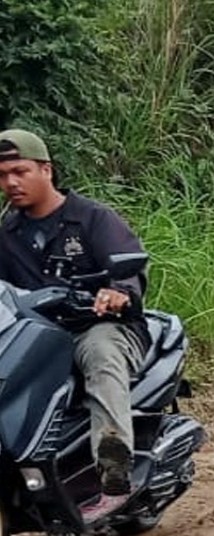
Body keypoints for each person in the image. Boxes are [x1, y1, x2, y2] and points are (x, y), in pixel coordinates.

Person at [0, 129, 148, 498]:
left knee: (100, 355)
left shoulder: (92, 219)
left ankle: (113, 456)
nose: (11, 182)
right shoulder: (7, 232)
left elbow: (129, 269)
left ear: (46, 170)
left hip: (96, 327)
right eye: (2, 175)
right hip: (35, 335)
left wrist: (118, 292)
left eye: (20, 171)